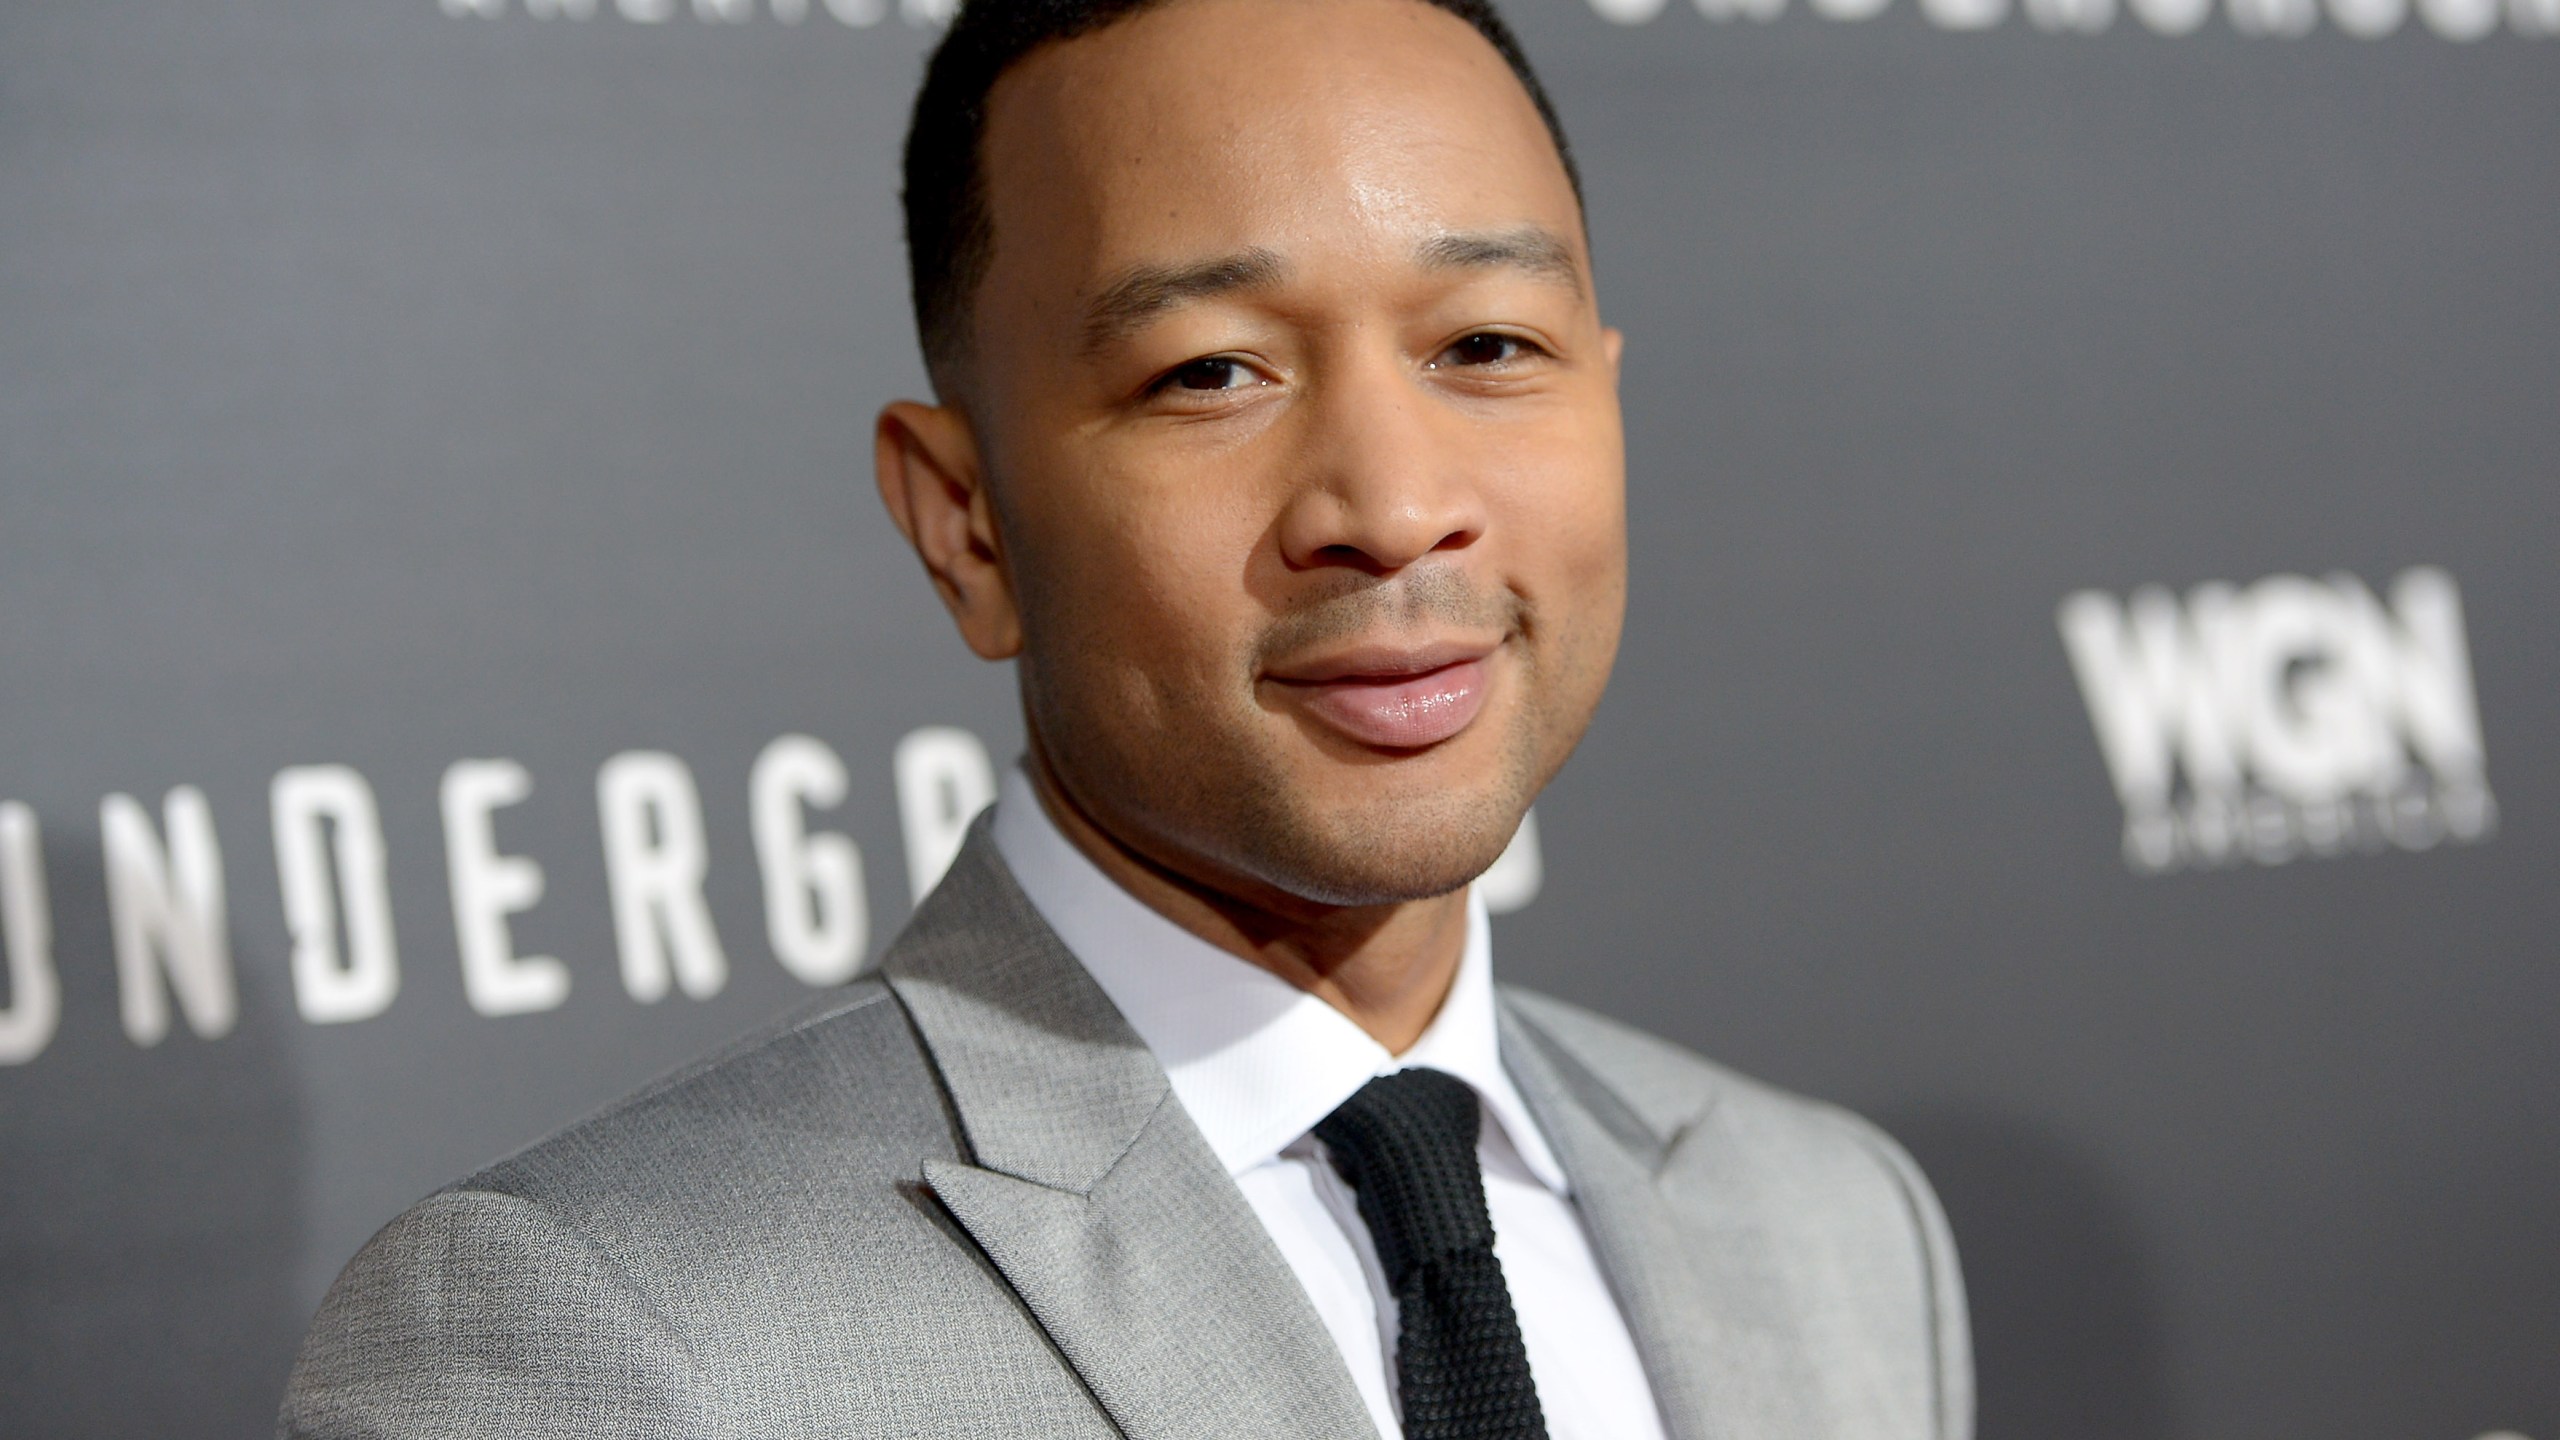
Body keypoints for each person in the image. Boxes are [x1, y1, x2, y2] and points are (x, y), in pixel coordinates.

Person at [277, 0, 1971, 1433]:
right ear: (968, 522)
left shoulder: (1827, 1235)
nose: (1391, 503)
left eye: (1486, 345)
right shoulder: (596, 1345)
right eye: (1212, 373)